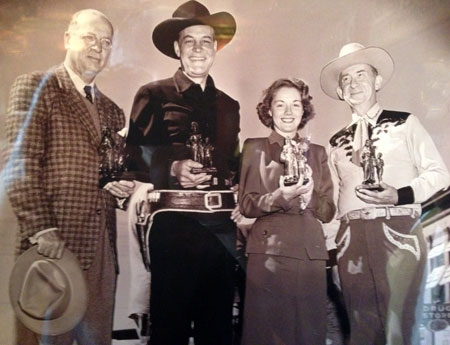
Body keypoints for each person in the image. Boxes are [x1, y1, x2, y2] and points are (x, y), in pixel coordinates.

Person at [3, 9, 135, 345]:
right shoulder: (36, 86)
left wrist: (121, 189)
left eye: (106, 42)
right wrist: (41, 229)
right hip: (52, 246)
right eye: (89, 38)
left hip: (102, 250)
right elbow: (18, 162)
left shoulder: (112, 109)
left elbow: (109, 172)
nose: (98, 48)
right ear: (67, 39)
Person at [125, 1, 240, 344]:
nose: (198, 49)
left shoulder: (230, 106)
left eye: (206, 41)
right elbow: (134, 156)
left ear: (215, 48)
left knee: (217, 330)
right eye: (190, 41)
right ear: (177, 48)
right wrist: (173, 167)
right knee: (169, 331)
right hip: (173, 227)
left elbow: (232, 166)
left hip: (221, 231)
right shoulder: (153, 94)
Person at [320, 42, 450, 345]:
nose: (354, 84)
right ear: (340, 92)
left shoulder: (406, 123)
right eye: (346, 79)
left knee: (400, 325)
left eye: (361, 75)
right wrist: (333, 252)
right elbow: (336, 198)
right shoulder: (336, 141)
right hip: (351, 237)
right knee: (360, 327)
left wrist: (400, 195)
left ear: (377, 82)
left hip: (398, 231)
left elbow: (440, 175)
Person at [239, 78, 335, 345]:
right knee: (266, 335)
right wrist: (280, 197)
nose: (288, 111)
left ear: (304, 110)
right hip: (269, 251)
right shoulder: (254, 147)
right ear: (269, 110)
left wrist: (310, 195)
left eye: (295, 104)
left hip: (309, 253)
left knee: (308, 334)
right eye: (280, 104)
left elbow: (327, 211)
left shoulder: (318, 152)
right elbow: (246, 204)